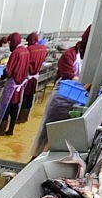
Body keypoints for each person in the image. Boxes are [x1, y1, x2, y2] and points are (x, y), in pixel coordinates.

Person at [30, 24, 91, 157]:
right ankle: (35, 157)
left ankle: (51, 157)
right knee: (47, 130)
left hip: (78, 99)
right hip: (61, 99)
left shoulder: (91, 59)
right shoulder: (69, 54)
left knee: (64, 134)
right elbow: (68, 74)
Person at [0, 32, 29, 137]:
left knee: (6, 107)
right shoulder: (26, 51)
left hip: (12, 85)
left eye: (9, 42)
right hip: (20, 84)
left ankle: (0, 130)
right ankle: (10, 130)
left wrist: (1, 74)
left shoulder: (16, 53)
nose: (9, 44)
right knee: (15, 107)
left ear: (13, 41)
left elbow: (9, 71)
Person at [18, 32, 48, 123]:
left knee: (24, 97)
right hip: (35, 77)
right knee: (30, 96)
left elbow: (23, 63)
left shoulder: (28, 49)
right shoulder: (43, 48)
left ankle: (20, 118)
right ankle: (25, 117)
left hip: (27, 77)